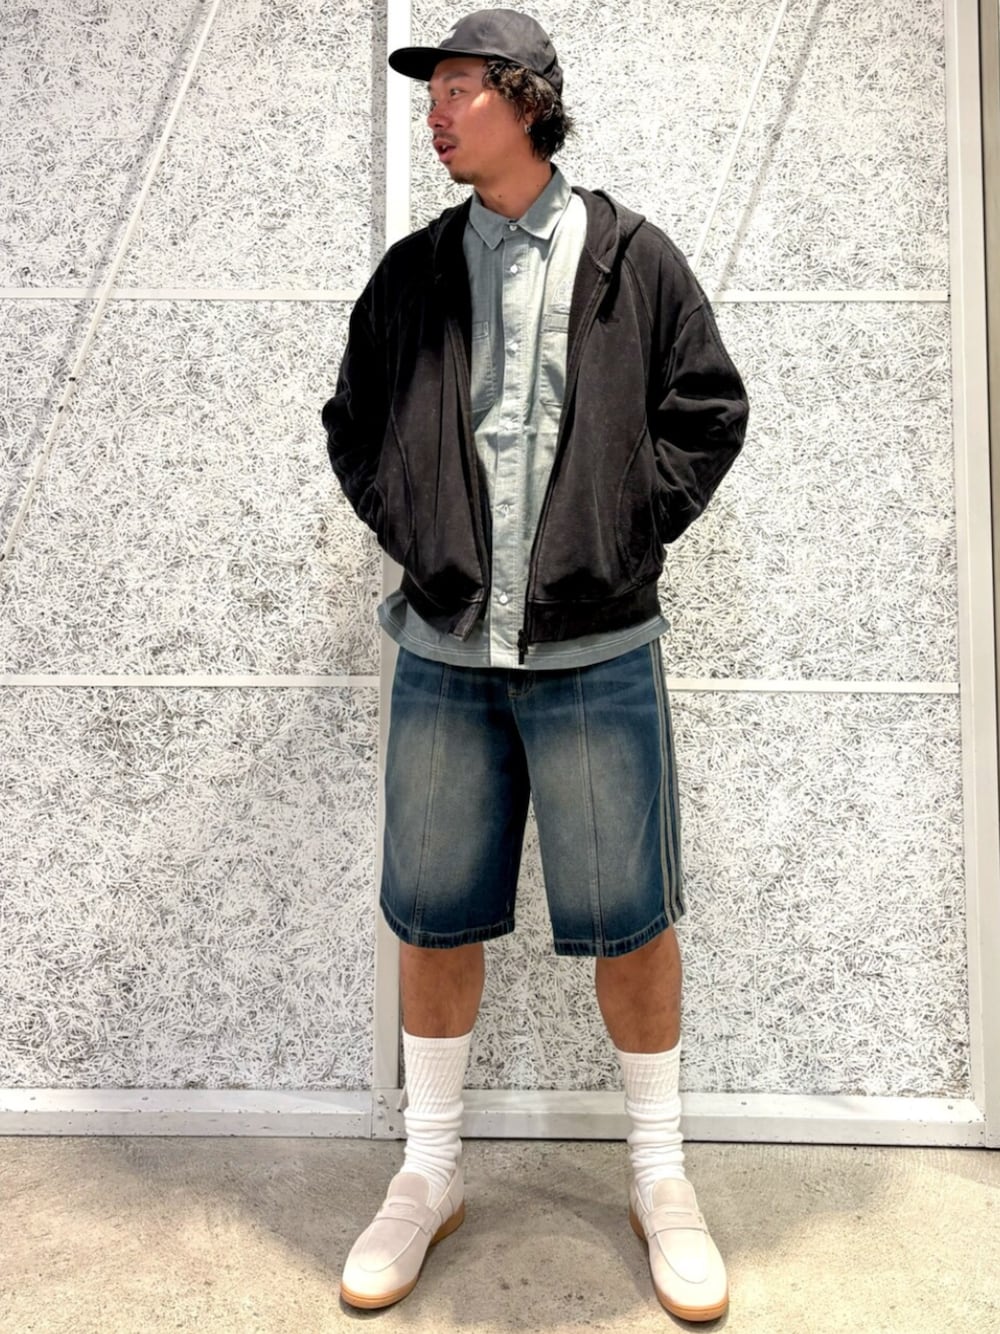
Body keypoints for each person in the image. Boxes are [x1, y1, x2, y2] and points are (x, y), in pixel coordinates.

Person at [323, 8, 748, 1320]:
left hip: (597, 649)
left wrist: (620, 527)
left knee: (634, 916)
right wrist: (420, 526)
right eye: (431, 92)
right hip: (446, 647)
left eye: (460, 89)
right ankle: (430, 1169)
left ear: (526, 100)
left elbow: (707, 410)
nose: (437, 112)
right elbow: (355, 422)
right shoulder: (413, 274)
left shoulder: (632, 258)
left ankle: (660, 1176)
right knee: (431, 907)